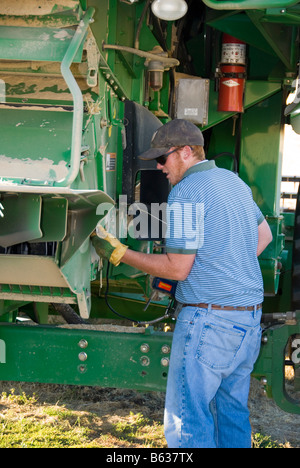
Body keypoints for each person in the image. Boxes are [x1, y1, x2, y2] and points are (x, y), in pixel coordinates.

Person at [91, 119, 273, 448]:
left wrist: (119, 253)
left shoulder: (187, 191)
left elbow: (177, 269)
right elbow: (264, 235)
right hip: (247, 319)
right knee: (231, 413)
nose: (160, 167)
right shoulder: (234, 183)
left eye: (164, 158)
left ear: (186, 152)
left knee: (188, 420)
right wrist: (222, 263)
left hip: (209, 322)